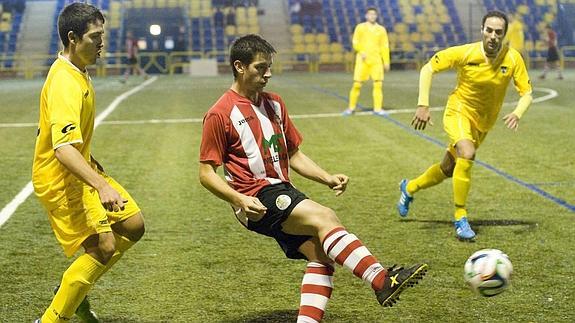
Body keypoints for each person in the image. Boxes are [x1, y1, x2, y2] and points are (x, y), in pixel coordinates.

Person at [199, 34, 427, 322]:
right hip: (255, 196)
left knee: (322, 257)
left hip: (280, 190)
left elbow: (292, 154)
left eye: (269, 66)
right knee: (325, 217)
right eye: (260, 67)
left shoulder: (275, 104)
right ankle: (381, 280)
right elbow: (206, 173)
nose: (268, 73)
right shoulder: (220, 113)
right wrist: (239, 198)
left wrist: (326, 177)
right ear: (239, 67)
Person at [32, 3, 145, 322]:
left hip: (79, 169)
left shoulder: (76, 71)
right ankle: (52, 317)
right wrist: (100, 184)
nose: (102, 43)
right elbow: (63, 149)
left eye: (102, 36)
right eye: (95, 37)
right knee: (105, 246)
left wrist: (92, 163)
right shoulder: (65, 82)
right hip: (60, 178)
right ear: (72, 38)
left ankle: (74, 291)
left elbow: (70, 141)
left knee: (132, 224)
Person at [396, 11, 533, 241]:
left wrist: (517, 113)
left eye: (498, 32)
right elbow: (428, 68)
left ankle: (409, 188)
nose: (492, 36)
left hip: (482, 124)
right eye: (488, 30)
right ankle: (460, 217)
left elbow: (527, 93)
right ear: (482, 30)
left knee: (448, 168)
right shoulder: (466, 52)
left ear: (504, 35)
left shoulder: (513, 59)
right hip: (458, 111)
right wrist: (423, 104)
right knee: (467, 153)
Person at [342, 7, 390, 116]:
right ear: (366, 16)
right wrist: (361, 51)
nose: (372, 16)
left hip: (376, 60)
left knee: (378, 84)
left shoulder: (381, 30)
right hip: (362, 60)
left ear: (376, 16)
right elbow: (355, 42)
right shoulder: (360, 28)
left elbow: (385, 46)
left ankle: (377, 109)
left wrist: (386, 61)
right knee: (357, 84)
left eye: (374, 14)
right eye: (370, 14)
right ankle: (351, 108)